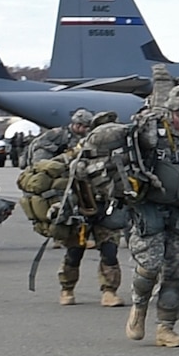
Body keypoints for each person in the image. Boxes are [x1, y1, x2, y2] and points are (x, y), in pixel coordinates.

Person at [124, 86, 179, 346]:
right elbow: (135, 140)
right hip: (151, 208)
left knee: (175, 272)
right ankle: (139, 306)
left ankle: (165, 328)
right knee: (150, 266)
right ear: (176, 110)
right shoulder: (153, 130)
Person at [56, 113, 124, 307]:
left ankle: (109, 291)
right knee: (74, 251)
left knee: (110, 251)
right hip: (83, 207)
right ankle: (67, 288)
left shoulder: (120, 154)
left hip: (108, 207)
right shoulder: (82, 151)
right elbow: (71, 170)